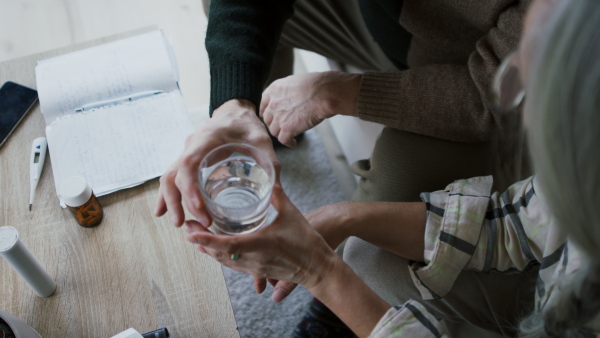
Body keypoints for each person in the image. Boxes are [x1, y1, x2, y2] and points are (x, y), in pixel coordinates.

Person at [183, 0, 600, 336]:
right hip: (410, 38)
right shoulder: (580, 183)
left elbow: (490, 99)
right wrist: (232, 106)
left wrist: (321, 272)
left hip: (465, 74)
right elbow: (518, 225)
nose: (514, 84)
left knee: (368, 258)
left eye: (539, 71)